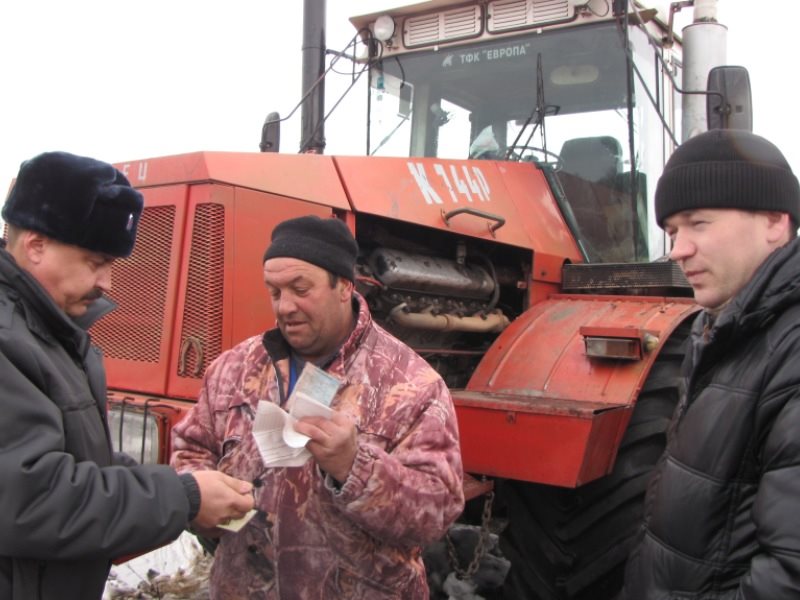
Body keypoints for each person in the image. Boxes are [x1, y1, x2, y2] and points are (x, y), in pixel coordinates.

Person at [0, 151, 255, 600]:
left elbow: (83, 464)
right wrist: (184, 499)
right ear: (35, 246)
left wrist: (176, 490)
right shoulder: (10, 341)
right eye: (96, 262)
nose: (108, 284)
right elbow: (32, 499)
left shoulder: (53, 334)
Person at [171, 215, 465, 599]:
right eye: (274, 291)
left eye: (300, 288)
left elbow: (437, 514)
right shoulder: (232, 369)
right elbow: (190, 449)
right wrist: (199, 501)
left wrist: (353, 467)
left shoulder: (411, 386)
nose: (285, 306)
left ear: (344, 286)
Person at [620, 129, 800, 598]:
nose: (678, 249)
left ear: (775, 222)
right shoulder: (725, 335)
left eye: (698, 224)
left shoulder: (789, 353)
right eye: (673, 231)